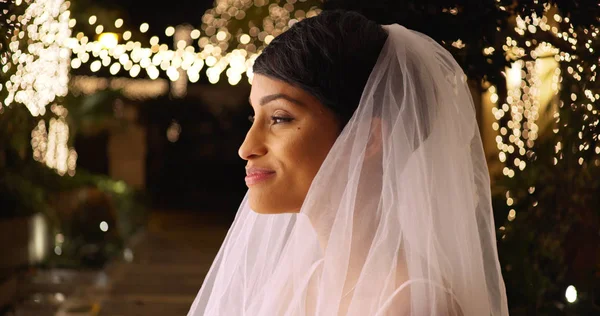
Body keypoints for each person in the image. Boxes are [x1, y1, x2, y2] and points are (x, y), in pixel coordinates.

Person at [187, 10, 509, 316]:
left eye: (280, 118)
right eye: (253, 116)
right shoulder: (304, 281)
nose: (246, 148)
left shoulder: (412, 305)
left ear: (368, 138)